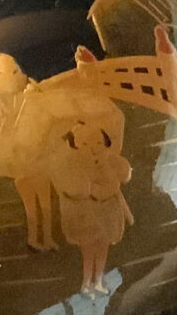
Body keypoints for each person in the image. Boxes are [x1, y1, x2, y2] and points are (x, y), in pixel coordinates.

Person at [0, 52, 56, 250]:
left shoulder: (28, 91)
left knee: (46, 204)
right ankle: (34, 239)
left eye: (13, 71)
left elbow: (42, 104)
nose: (11, 76)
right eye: (2, 73)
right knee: (31, 206)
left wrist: (31, 94)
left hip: (37, 157)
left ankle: (47, 237)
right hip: (18, 162)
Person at [48, 122, 133, 295]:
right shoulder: (73, 163)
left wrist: (110, 175)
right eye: (85, 143)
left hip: (108, 213)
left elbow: (123, 173)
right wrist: (95, 188)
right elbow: (74, 187)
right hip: (85, 216)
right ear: (76, 144)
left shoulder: (108, 159)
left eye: (98, 143)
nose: (93, 147)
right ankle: (87, 282)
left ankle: (98, 281)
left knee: (102, 247)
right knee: (88, 249)